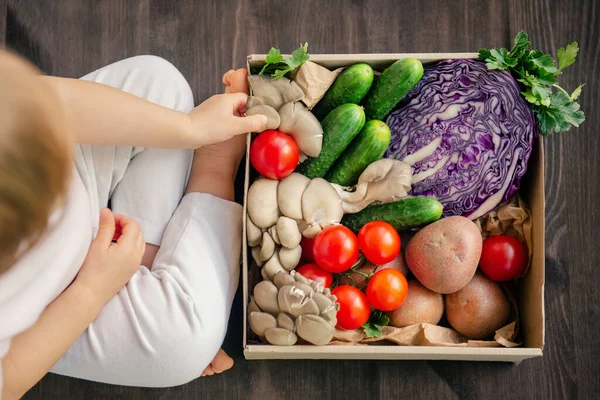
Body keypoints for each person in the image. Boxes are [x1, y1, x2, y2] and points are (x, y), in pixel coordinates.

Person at [0, 50, 267, 399]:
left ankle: (146, 260)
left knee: (158, 83)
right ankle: (214, 169)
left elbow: (56, 104)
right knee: (184, 343)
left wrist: (190, 128)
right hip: (51, 303)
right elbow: (10, 378)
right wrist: (91, 291)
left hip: (63, 163)